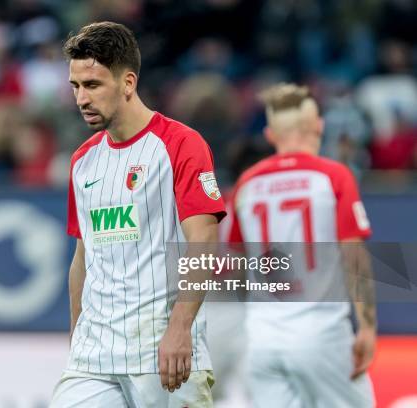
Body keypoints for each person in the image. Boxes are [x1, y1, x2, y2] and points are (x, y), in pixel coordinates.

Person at [50, 21, 226, 407]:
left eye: (93, 85)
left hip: (162, 351)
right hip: (93, 355)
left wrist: (180, 328)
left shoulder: (182, 145)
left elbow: (205, 241)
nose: (81, 99)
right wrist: (76, 336)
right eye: (75, 86)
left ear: (128, 83)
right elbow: (83, 259)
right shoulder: (82, 162)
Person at [228, 83, 377, 407]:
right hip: (321, 336)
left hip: (262, 341)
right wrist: (367, 326)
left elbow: (235, 263)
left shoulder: (247, 183)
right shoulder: (333, 176)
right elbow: (354, 256)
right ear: (319, 125)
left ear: (270, 134)